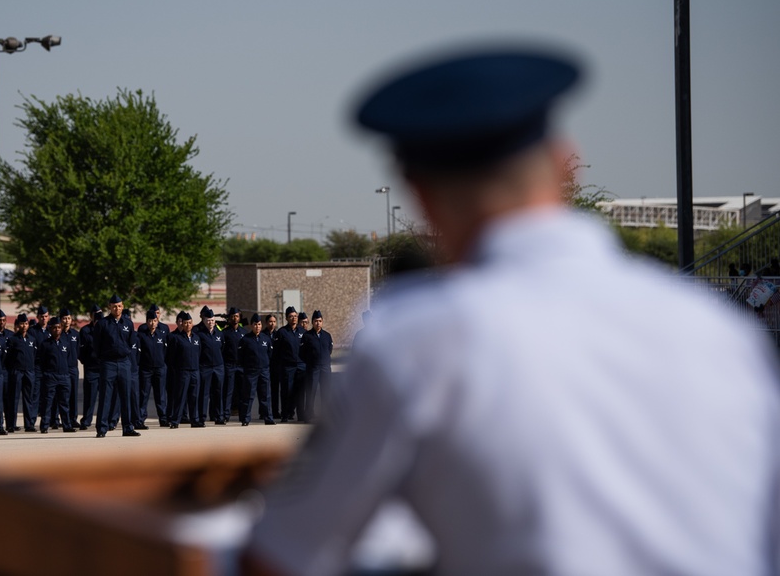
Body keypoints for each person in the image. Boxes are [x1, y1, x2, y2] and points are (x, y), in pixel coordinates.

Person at [244, 46, 780, 575]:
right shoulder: (716, 328)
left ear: (422, 197)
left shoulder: (415, 336)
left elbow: (284, 555)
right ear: (563, 166)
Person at [92, 296, 141, 437]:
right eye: (114, 306)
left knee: (126, 396)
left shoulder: (128, 323)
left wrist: (125, 354)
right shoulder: (102, 324)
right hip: (108, 363)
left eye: (119, 306)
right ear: (109, 307)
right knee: (105, 397)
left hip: (125, 363)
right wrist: (103, 359)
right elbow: (96, 345)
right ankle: (102, 428)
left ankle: (128, 428)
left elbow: (132, 341)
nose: (117, 308)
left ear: (122, 306)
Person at [37, 317, 76, 434]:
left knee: (64, 403)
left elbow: (69, 358)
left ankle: (67, 425)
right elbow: (40, 361)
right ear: (50, 329)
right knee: (47, 402)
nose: (57, 330)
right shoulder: (45, 344)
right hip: (50, 377)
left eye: (59, 327)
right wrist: (44, 375)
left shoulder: (66, 343)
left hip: (64, 376)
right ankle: (44, 425)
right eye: (54, 328)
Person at [166, 311, 201, 429]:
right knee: (180, 397)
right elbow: (171, 357)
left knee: (194, 397)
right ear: (182, 324)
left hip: (195, 371)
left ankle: (195, 420)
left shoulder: (196, 338)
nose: (187, 325)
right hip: (182, 372)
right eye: (185, 323)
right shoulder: (177, 338)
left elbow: (199, 353)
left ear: (192, 324)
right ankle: (175, 420)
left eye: (189, 323)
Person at [238, 313, 273, 427]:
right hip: (251, 371)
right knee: (248, 395)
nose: (257, 326)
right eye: (255, 324)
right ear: (251, 326)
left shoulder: (265, 339)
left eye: (259, 324)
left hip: (264, 370)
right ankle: (245, 418)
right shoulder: (245, 340)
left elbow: (270, 353)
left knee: (265, 395)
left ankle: (268, 417)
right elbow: (240, 356)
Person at [4, 313, 37, 433]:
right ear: (18, 325)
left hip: (29, 372)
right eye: (22, 323)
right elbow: (7, 358)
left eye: (26, 323)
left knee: (28, 399)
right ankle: (11, 424)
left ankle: (29, 424)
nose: (24, 326)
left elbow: (34, 355)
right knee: (13, 399)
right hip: (16, 372)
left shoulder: (32, 340)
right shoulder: (12, 340)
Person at [136, 307, 169, 427]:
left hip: (160, 368)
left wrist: (163, 364)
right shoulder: (141, 335)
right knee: (143, 395)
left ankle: (163, 418)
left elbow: (166, 351)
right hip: (145, 369)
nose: (152, 323)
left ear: (157, 321)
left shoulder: (162, 335)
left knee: (160, 395)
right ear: (146, 321)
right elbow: (138, 353)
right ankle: (140, 419)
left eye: (154, 321)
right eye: (150, 321)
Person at [299, 310, 333, 422]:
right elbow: (302, 353)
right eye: (315, 321)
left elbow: (329, 350)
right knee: (311, 392)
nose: (318, 323)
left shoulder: (327, 336)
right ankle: (308, 415)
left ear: (322, 322)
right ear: (312, 322)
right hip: (313, 368)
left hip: (325, 368)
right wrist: (310, 361)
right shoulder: (307, 336)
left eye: (320, 321)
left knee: (326, 391)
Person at [194, 305, 225, 426]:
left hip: (218, 367)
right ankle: (202, 418)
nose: (210, 323)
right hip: (205, 367)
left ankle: (219, 417)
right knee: (204, 393)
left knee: (218, 392)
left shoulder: (219, 333)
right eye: (208, 321)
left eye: (212, 320)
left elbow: (222, 347)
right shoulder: (199, 333)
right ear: (204, 321)